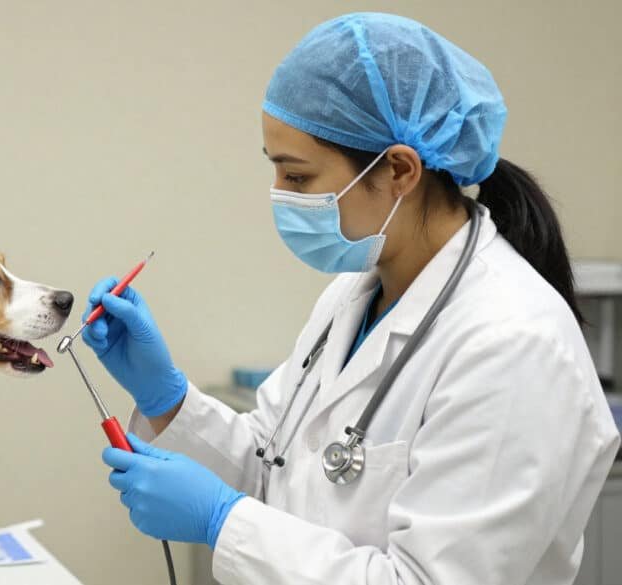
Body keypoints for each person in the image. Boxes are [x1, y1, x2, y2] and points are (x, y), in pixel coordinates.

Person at [84, 12, 620, 585]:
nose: (279, 198)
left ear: (399, 170)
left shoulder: (514, 343)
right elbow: (277, 470)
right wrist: (165, 395)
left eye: (297, 178)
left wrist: (223, 522)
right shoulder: (356, 292)